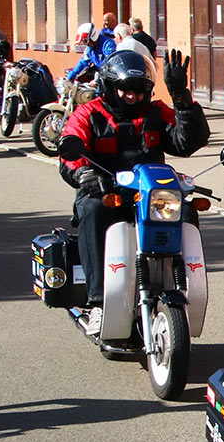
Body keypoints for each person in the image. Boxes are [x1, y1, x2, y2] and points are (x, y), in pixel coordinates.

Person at [58, 49, 208, 336]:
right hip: (106, 192)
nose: (132, 96)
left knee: (185, 209)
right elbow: (70, 148)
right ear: (109, 86)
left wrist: (182, 99)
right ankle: (98, 301)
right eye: (125, 89)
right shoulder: (89, 113)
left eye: (139, 90)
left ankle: (181, 283)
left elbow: (188, 142)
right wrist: (84, 173)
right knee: (93, 209)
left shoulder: (155, 112)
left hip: (150, 195)